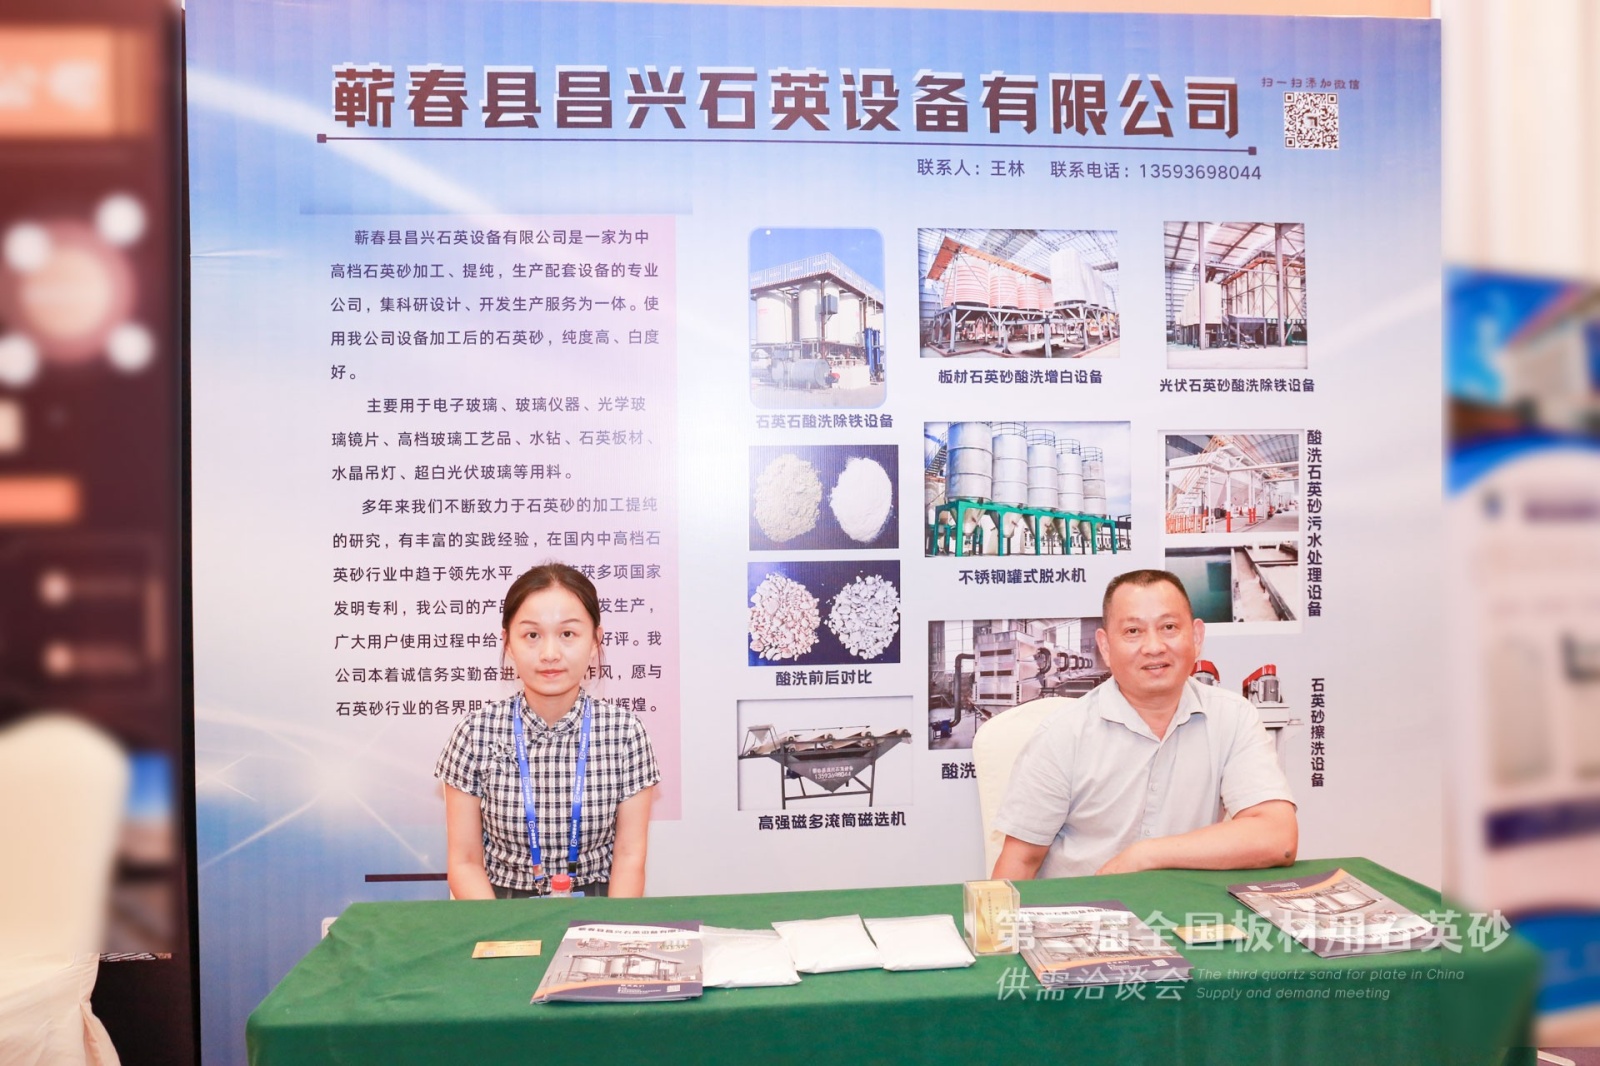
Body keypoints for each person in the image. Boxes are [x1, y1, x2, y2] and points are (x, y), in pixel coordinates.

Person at [991, 568, 1297, 880]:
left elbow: (1277, 837)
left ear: (1196, 637)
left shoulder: (1233, 718)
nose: (1153, 647)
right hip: (1081, 907)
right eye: (1133, 631)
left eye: (1168, 627)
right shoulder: (1062, 734)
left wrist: (1147, 855)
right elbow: (1019, 863)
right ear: (1105, 647)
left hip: (1182, 906)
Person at [435, 563, 660, 898]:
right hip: (499, 906)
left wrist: (608, 925)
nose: (550, 654)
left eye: (567, 634)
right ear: (508, 643)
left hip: (599, 905)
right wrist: (500, 929)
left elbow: (629, 858)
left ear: (595, 641)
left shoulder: (626, 733)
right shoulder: (474, 733)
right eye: (532, 635)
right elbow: (465, 862)